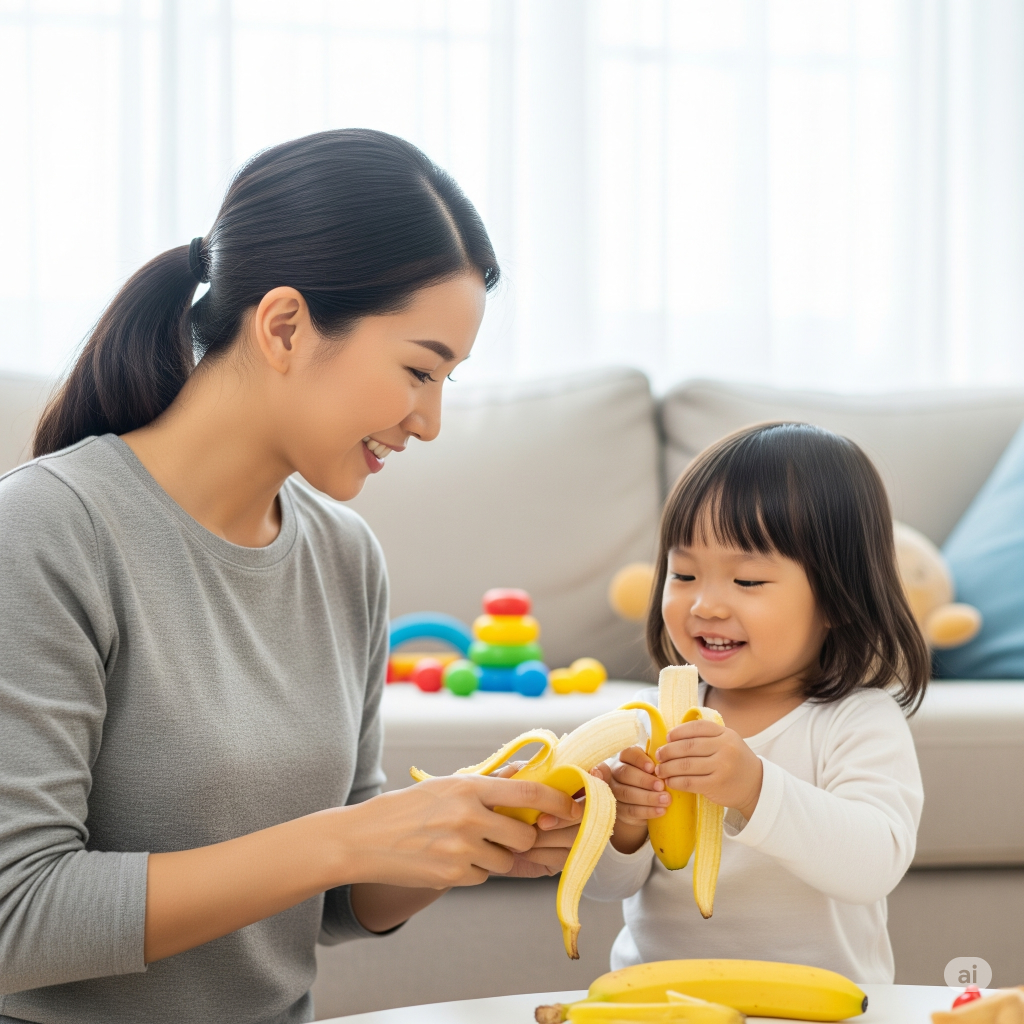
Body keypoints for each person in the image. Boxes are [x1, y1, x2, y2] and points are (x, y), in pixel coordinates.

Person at [0, 129, 580, 1024]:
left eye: (448, 380)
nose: (428, 421)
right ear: (283, 326)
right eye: (419, 370)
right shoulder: (49, 531)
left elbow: (340, 900)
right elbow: (17, 918)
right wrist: (349, 838)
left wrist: (469, 836)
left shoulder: (346, 557)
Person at [587, 422, 930, 984]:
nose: (706, 605)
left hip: (820, 1010)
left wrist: (754, 787)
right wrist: (622, 824)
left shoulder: (856, 721)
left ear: (838, 598)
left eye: (746, 580)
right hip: (657, 1003)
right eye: (684, 573)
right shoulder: (645, 722)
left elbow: (874, 864)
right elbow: (605, 887)